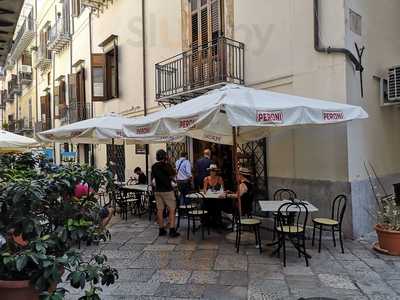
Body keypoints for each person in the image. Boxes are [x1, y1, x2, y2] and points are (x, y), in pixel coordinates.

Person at [151, 149, 180, 237]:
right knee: (172, 210)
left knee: (160, 210)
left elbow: (153, 177)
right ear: (165, 156)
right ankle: (172, 230)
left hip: (158, 191)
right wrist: (169, 162)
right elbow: (174, 174)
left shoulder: (154, 166)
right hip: (167, 191)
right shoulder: (167, 165)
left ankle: (161, 229)